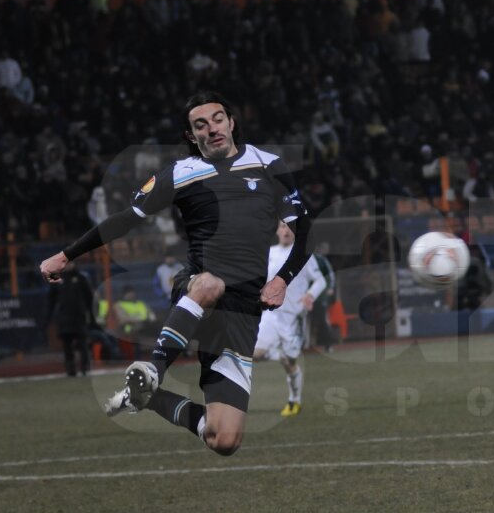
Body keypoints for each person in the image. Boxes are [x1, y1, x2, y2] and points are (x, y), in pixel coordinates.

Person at [39, 91, 311, 456]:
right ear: (191, 135)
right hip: (198, 290)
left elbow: (305, 230)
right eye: (201, 124)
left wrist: (282, 280)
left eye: (218, 119)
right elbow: (125, 220)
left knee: (224, 439)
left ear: (231, 122)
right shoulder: (180, 173)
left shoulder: (269, 165)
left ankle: (147, 397)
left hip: (243, 312)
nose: (211, 128)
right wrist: (65, 255)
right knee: (210, 283)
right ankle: (153, 369)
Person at [253, 221, 329, 416]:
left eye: (289, 227)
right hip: (271, 315)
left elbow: (320, 280)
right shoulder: (269, 253)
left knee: (291, 363)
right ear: (277, 230)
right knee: (253, 353)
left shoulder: (302, 255)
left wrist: (310, 295)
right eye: (282, 227)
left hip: (293, 318)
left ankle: (295, 400)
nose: (285, 230)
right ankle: (279, 355)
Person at [44, 260, 96, 376]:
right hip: (64, 317)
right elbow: (51, 301)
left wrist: (92, 317)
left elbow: (90, 299)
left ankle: (85, 367)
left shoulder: (82, 278)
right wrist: (47, 318)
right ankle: (70, 369)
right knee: (67, 345)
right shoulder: (56, 279)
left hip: (79, 317)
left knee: (82, 343)